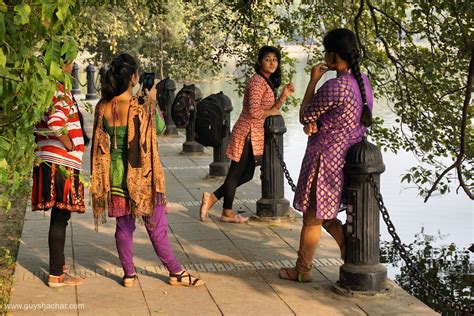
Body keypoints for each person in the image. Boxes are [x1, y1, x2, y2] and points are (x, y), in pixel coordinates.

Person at [90, 53, 204, 287]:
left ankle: (129, 274)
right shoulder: (139, 107)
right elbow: (160, 129)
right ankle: (176, 271)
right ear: (132, 78)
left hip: (115, 175)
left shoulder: (102, 107)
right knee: (157, 224)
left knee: (124, 226)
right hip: (143, 174)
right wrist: (152, 101)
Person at [279, 28, 374, 282]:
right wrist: (319, 122)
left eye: (326, 52)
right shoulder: (363, 81)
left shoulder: (336, 86)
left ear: (332, 56)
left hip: (325, 158)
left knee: (312, 215)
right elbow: (344, 118)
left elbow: (304, 114)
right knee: (325, 212)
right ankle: (348, 252)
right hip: (347, 157)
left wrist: (312, 80)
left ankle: (302, 270)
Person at [200, 45, 295, 223]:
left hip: (254, 135)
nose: (272, 63)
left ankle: (216, 201)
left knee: (246, 174)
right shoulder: (257, 82)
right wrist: (272, 112)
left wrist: (284, 96)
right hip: (246, 133)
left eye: (275, 60)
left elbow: (272, 110)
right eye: (267, 59)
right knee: (236, 173)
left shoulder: (266, 81)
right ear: (260, 62)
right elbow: (254, 112)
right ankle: (223, 209)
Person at [32, 59, 89, 287]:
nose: (72, 67)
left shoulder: (43, 89)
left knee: (59, 217)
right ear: (59, 65)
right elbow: (56, 123)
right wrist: (70, 145)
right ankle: (56, 274)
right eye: (68, 63)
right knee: (60, 218)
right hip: (61, 162)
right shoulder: (61, 91)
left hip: (47, 159)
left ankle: (59, 266)